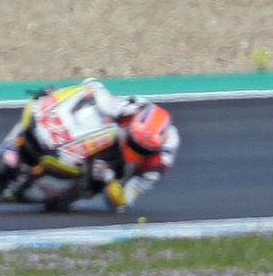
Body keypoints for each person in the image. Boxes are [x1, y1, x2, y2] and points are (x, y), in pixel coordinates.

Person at [15, 78, 179, 211]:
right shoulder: (131, 109)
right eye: (133, 142)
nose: (134, 149)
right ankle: (51, 116)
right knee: (94, 114)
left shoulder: (160, 162)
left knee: (110, 187)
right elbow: (98, 92)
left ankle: (72, 189)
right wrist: (90, 88)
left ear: (156, 149)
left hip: (112, 167)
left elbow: (123, 202)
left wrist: (108, 178)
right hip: (111, 135)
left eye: (142, 150)